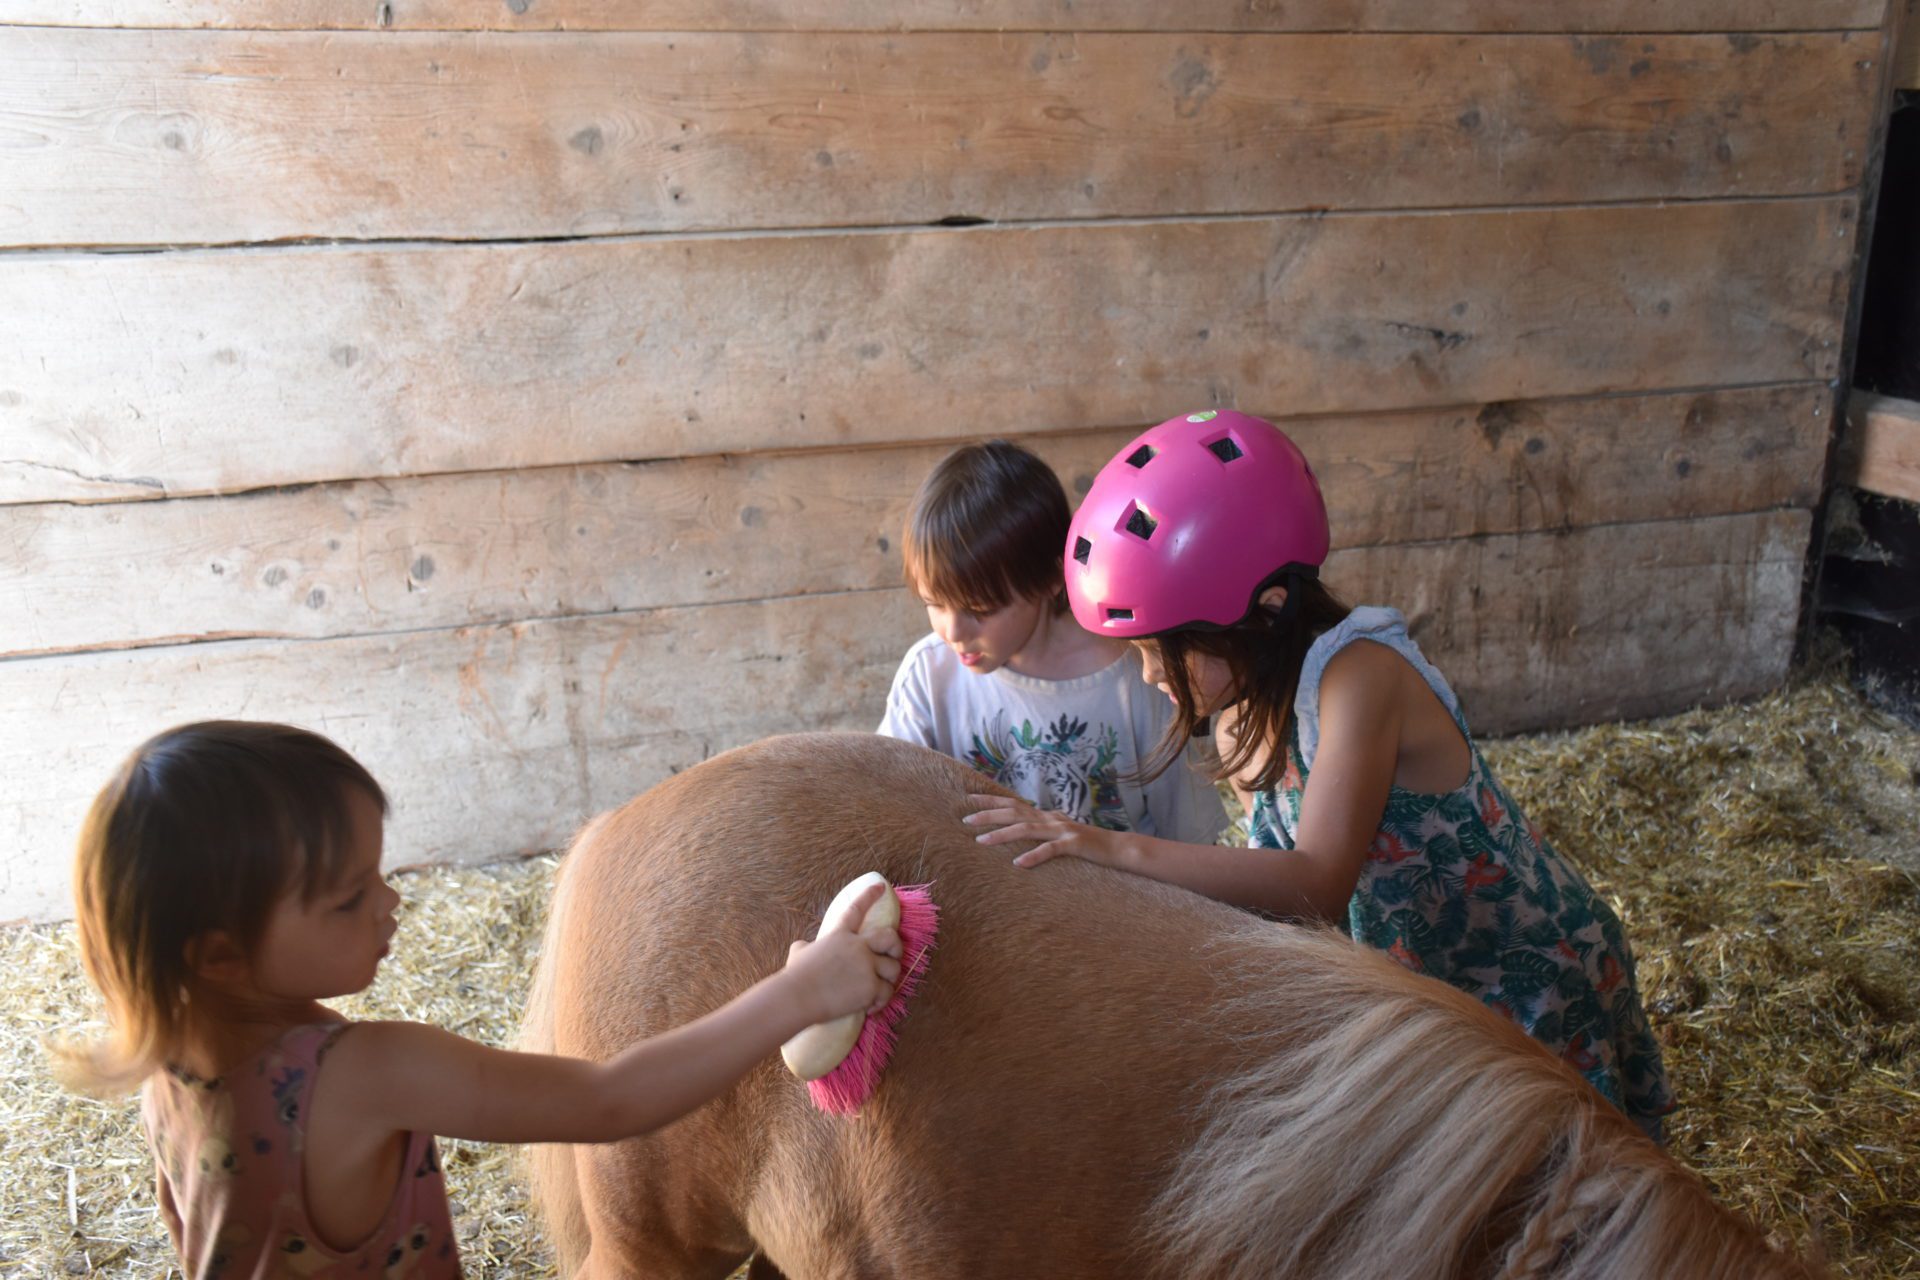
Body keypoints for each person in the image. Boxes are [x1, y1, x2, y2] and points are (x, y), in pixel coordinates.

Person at [966, 409, 1675, 1139]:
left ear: (1265, 611)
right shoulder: (1241, 716)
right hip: (1425, 991)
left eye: (1163, 651)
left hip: (1524, 977)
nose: (1149, 675)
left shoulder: (1360, 677)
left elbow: (1316, 882)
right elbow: (1281, 901)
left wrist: (1110, 847)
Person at [59, 721, 902, 1278]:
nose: (391, 903)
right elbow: (612, 1100)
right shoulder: (365, 1073)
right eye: (349, 899)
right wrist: (801, 991)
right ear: (220, 955)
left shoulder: (168, 1071)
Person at [877, 438, 1225, 847]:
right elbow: (886, 803)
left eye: (981, 609)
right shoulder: (929, 675)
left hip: (1116, 886)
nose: (952, 632)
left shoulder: (1141, 678)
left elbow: (1191, 840)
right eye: (933, 604)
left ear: (1051, 578)